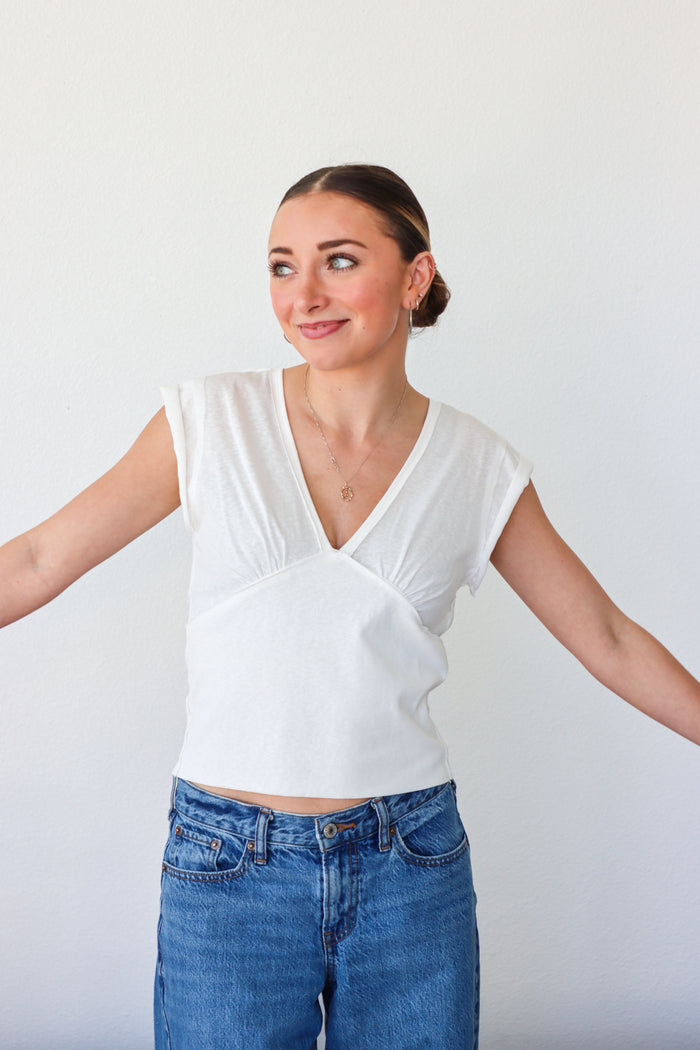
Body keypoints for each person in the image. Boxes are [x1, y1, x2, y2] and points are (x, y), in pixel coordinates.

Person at [1, 164, 698, 1050]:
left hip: (410, 865)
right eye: (282, 266)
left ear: (415, 277)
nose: (304, 295)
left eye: (338, 260)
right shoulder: (208, 421)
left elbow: (607, 637)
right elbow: (34, 557)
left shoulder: (477, 465)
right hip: (228, 867)